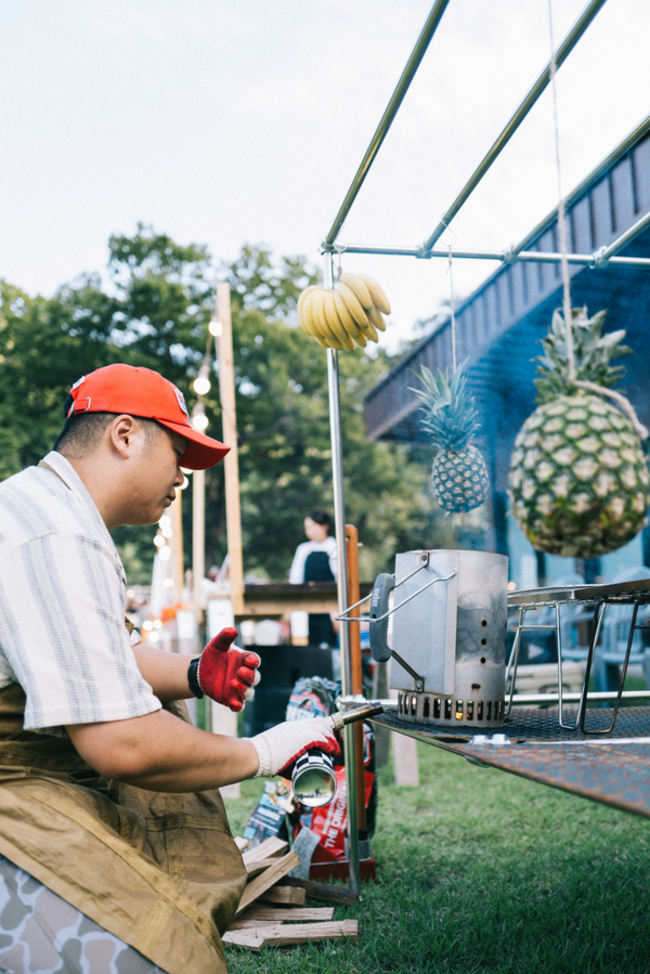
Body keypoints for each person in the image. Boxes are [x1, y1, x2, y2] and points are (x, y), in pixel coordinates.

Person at [0, 364, 339, 974]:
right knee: (170, 955)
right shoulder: (55, 534)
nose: (183, 476)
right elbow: (121, 742)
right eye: (178, 453)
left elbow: (100, 657)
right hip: (10, 782)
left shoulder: (52, 509)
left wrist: (192, 674)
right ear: (125, 435)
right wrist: (266, 751)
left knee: (167, 716)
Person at [289, 511, 340, 673]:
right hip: (306, 609)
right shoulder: (303, 549)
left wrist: (337, 611)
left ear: (325, 526)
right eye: (306, 528)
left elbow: (340, 581)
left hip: (329, 611)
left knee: (330, 649)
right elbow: (295, 580)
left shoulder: (335, 547)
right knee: (309, 649)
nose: (308, 531)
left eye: (312, 527)